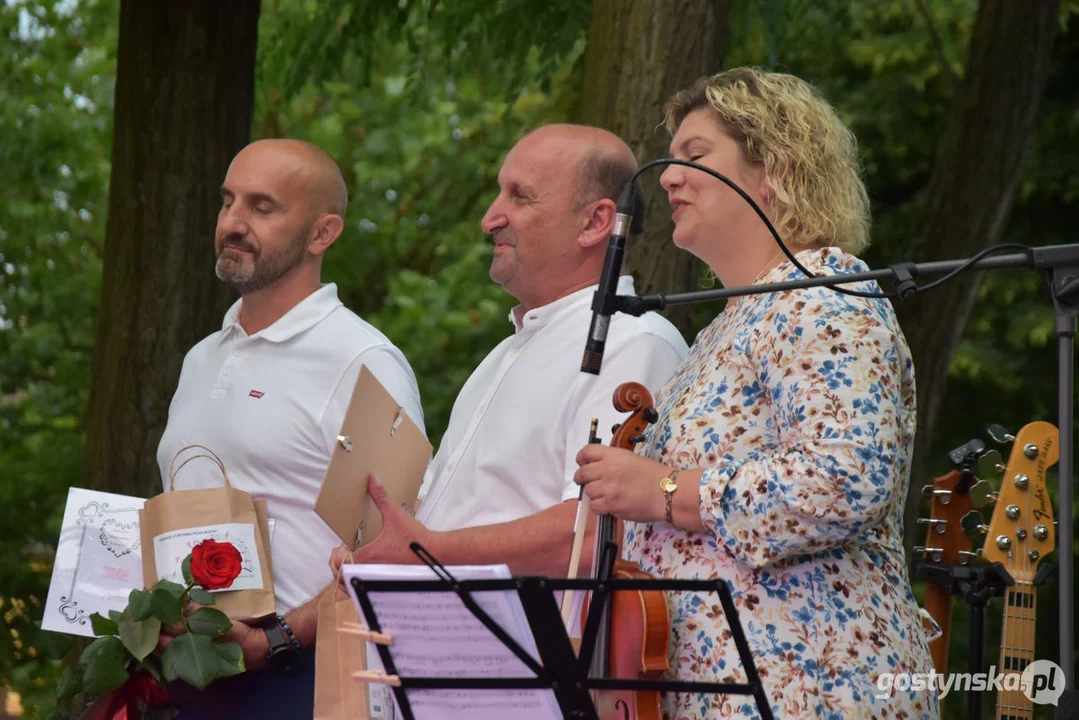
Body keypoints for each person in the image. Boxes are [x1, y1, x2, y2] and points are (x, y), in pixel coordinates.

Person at [573, 68, 938, 719]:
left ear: (771, 168)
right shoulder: (723, 330)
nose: (665, 175)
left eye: (695, 155)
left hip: (812, 694)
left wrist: (664, 490)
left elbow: (845, 480)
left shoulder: (822, 293)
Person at [334, 124, 688, 578]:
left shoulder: (634, 341)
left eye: (519, 196)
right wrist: (379, 540)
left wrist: (425, 550)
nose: (489, 219)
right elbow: (453, 515)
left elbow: (591, 536)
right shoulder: (503, 354)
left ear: (596, 223)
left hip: (528, 645)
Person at [156, 139, 426, 717]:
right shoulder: (201, 357)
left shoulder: (364, 359)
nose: (232, 222)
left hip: (302, 677)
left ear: (322, 234)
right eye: (228, 201)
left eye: (262, 207)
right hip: (195, 672)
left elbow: (394, 547)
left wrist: (277, 639)